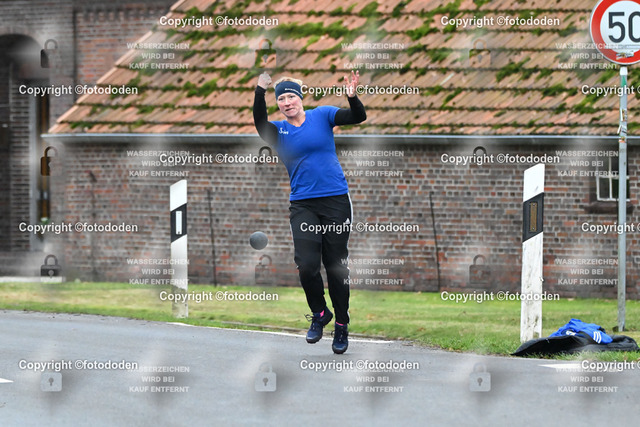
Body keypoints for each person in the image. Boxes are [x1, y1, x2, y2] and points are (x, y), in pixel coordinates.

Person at [253, 71, 366, 354]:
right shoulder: (279, 131)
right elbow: (259, 122)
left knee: (335, 266)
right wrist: (260, 91)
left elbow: (357, 117)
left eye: (291, 97)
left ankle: (341, 324)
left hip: (335, 200)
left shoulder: (323, 115)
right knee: (306, 264)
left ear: (300, 98)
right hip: (303, 204)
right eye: (281, 99)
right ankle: (320, 313)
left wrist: (352, 97)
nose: (287, 102)